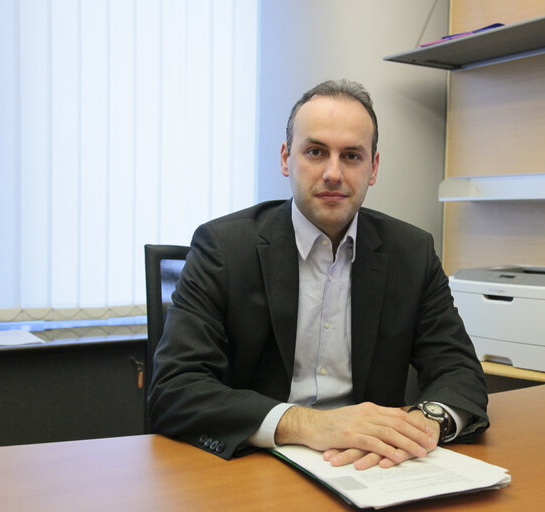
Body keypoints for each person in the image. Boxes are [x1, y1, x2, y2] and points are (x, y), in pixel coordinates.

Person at [148, 79, 489, 470]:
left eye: (352, 156)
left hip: (371, 466)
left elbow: (459, 371)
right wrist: (311, 424)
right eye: (315, 152)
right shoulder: (223, 248)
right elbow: (175, 388)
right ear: (285, 159)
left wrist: (421, 424)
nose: (333, 173)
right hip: (256, 465)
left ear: (373, 168)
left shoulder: (410, 253)